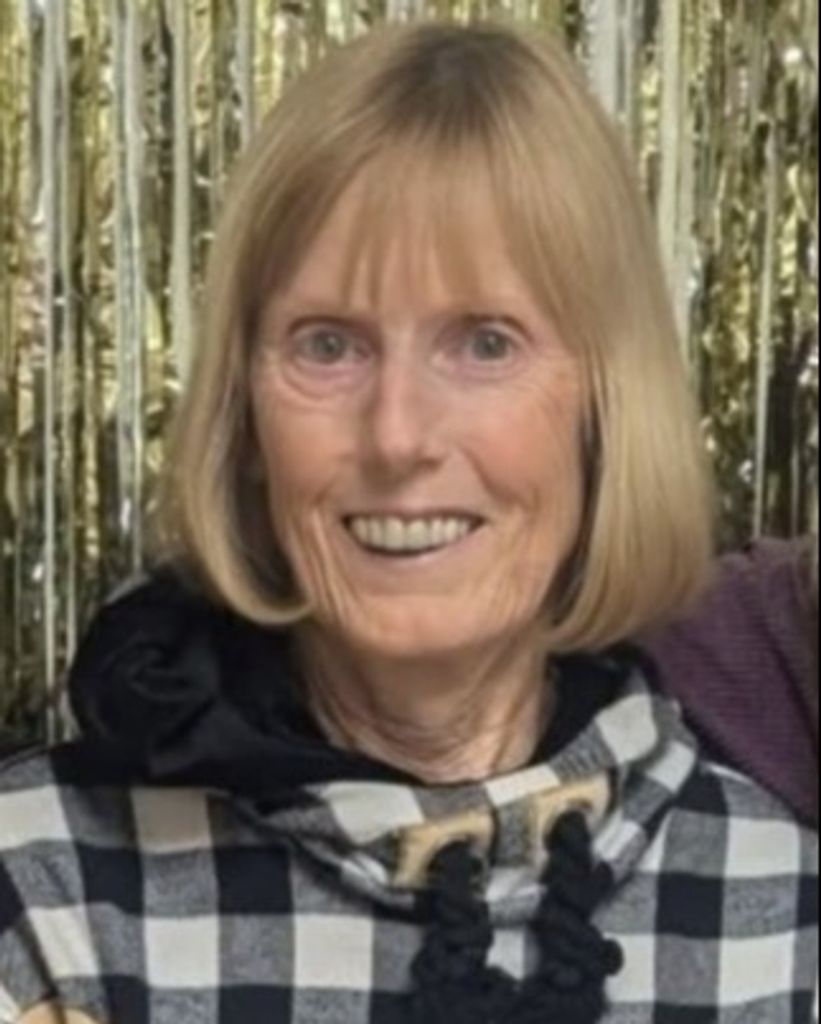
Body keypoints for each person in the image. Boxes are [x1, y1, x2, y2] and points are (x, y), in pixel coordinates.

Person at [0, 22, 816, 1024]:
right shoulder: (41, 896)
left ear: (605, 408)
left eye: (485, 344)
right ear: (244, 416)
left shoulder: (787, 922)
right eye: (327, 344)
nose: (397, 435)